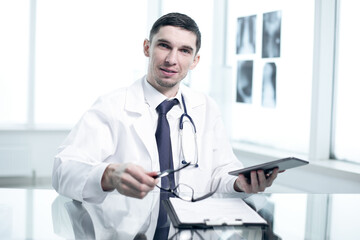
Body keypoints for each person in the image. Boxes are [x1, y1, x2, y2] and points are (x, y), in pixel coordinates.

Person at [52, 12, 279, 238]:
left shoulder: (206, 107)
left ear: (195, 60)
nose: (172, 59)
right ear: (147, 48)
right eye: (164, 46)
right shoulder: (111, 106)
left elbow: (221, 171)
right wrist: (109, 175)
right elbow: (64, 169)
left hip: (190, 230)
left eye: (184, 51)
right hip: (125, 230)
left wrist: (239, 183)